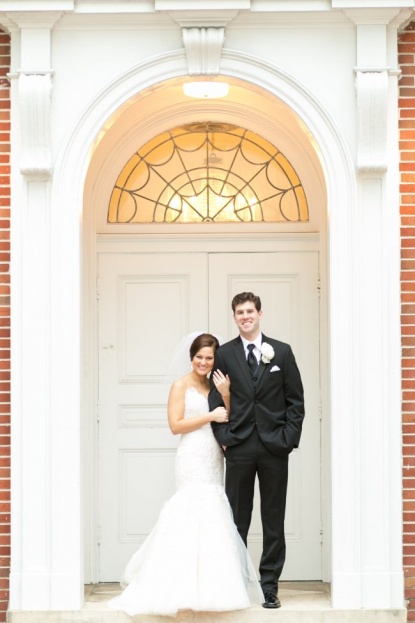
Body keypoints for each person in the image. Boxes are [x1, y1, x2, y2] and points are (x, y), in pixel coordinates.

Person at [108, 332, 263, 616]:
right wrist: (209, 416)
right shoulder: (180, 385)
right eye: (199, 357)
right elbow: (175, 425)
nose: (203, 362)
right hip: (192, 455)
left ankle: (214, 588)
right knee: (190, 510)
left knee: (214, 512)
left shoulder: (216, 385)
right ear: (191, 357)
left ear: (215, 360)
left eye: (209, 358)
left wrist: (226, 394)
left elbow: (232, 416)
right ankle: (178, 586)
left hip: (214, 454)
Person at [208, 292, 305, 609]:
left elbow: (295, 401)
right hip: (239, 445)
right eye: (239, 312)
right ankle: (235, 581)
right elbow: (214, 400)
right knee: (238, 518)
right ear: (234, 317)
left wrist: (288, 438)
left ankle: (270, 586)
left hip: (274, 446)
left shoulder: (282, 352)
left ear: (260, 313)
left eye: (250, 311)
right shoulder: (224, 354)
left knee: (273, 519)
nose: (245, 316)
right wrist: (224, 437)